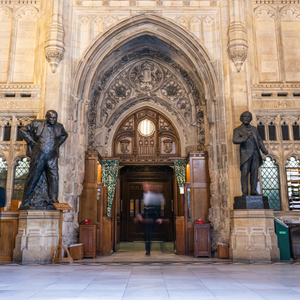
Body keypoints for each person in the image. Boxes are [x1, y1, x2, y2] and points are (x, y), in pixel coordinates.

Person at [20, 110, 68, 207]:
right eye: (51, 118)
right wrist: (31, 141)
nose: (53, 120)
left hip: (52, 156)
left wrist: (57, 145)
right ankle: (26, 199)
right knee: (34, 176)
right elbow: (23, 130)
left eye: (55, 118)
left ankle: (53, 198)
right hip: (39, 155)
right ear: (46, 117)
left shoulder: (59, 126)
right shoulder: (37, 123)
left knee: (54, 177)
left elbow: (64, 135)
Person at [233, 111, 268, 196]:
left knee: (254, 172)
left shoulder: (254, 129)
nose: (247, 118)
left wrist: (263, 149)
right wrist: (246, 136)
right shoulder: (237, 130)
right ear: (241, 118)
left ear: (251, 119)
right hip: (245, 154)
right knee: (244, 173)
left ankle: (254, 190)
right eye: (245, 116)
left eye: (249, 117)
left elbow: (259, 140)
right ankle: (244, 191)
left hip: (255, 153)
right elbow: (235, 140)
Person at [136, 183, 165, 255]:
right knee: (147, 234)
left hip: (153, 217)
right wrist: (138, 215)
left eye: (147, 187)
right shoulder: (141, 196)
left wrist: (159, 217)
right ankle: (148, 249)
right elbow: (139, 207)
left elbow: (158, 207)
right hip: (145, 218)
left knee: (150, 233)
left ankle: (152, 248)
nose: (145, 188)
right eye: (144, 187)